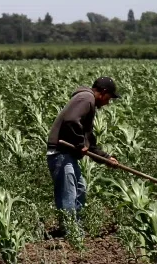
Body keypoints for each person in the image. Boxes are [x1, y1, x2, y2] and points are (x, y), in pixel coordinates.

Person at [45, 76, 120, 237]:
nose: (108, 102)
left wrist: (105, 158)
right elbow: (72, 121)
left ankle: (74, 230)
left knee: (79, 189)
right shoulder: (86, 98)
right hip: (60, 153)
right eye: (109, 98)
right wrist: (80, 144)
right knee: (69, 194)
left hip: (67, 155)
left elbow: (89, 143)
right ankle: (71, 233)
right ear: (103, 92)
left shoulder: (88, 102)